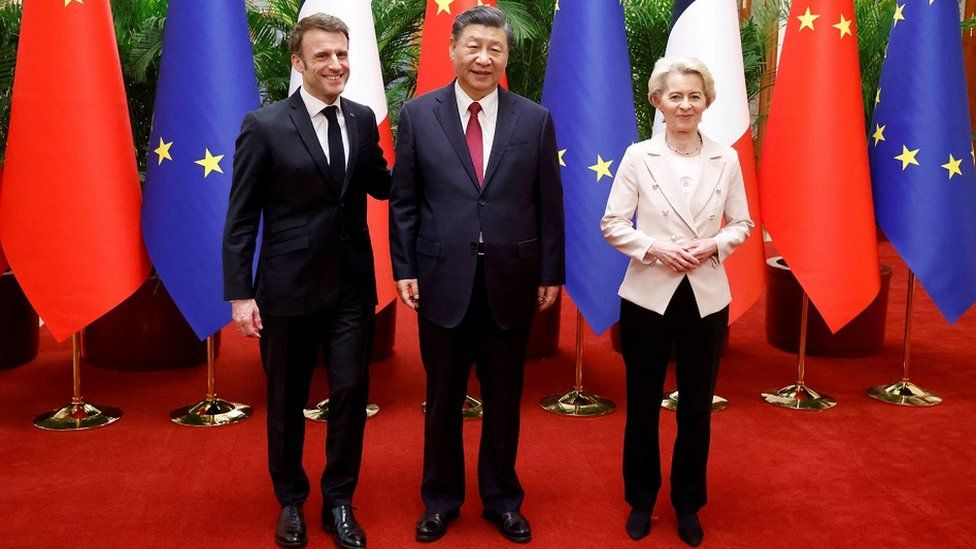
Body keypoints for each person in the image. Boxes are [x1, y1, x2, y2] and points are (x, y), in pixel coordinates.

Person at [389, 5, 564, 545]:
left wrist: (550, 272)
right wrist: (405, 269)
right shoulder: (418, 115)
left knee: (505, 399)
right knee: (441, 399)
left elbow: (548, 204)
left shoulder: (533, 118)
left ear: (506, 55)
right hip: (442, 279)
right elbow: (405, 203)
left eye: (496, 48)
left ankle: (502, 499)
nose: (484, 57)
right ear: (453, 49)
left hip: (512, 281)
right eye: (475, 46)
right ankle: (440, 500)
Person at [222, 13, 390, 549]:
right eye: (323, 56)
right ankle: (291, 501)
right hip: (286, 289)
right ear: (299, 63)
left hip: (350, 289)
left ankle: (339, 499)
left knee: (348, 392)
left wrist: (435, 153)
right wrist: (241, 294)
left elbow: (383, 186)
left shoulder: (363, 119)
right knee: (287, 398)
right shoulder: (265, 125)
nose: (336, 64)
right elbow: (241, 216)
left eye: (342, 54)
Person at [600, 56, 753, 547]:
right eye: (675, 96)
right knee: (642, 404)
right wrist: (656, 248)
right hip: (648, 293)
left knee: (696, 407)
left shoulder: (726, 158)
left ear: (707, 102)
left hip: (706, 296)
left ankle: (688, 504)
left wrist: (713, 245)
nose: (685, 104)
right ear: (657, 102)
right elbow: (613, 224)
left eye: (694, 96)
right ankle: (641, 500)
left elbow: (742, 224)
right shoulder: (637, 156)